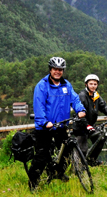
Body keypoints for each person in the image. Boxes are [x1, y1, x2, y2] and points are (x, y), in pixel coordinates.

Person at [29, 57, 86, 191]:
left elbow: (75, 99)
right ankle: (33, 185)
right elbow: (39, 106)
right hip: (45, 127)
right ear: (50, 70)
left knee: (66, 150)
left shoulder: (66, 85)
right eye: (55, 69)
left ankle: (58, 173)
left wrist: (80, 109)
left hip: (61, 125)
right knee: (41, 157)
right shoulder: (42, 86)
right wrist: (44, 122)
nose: (58, 72)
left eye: (60, 70)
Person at [76, 74, 107, 166]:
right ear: (86, 84)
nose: (93, 86)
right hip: (81, 126)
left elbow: (103, 107)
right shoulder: (82, 95)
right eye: (91, 84)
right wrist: (86, 125)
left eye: (95, 84)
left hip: (91, 125)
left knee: (100, 139)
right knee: (82, 149)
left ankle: (91, 160)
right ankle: (78, 169)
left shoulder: (96, 95)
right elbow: (80, 113)